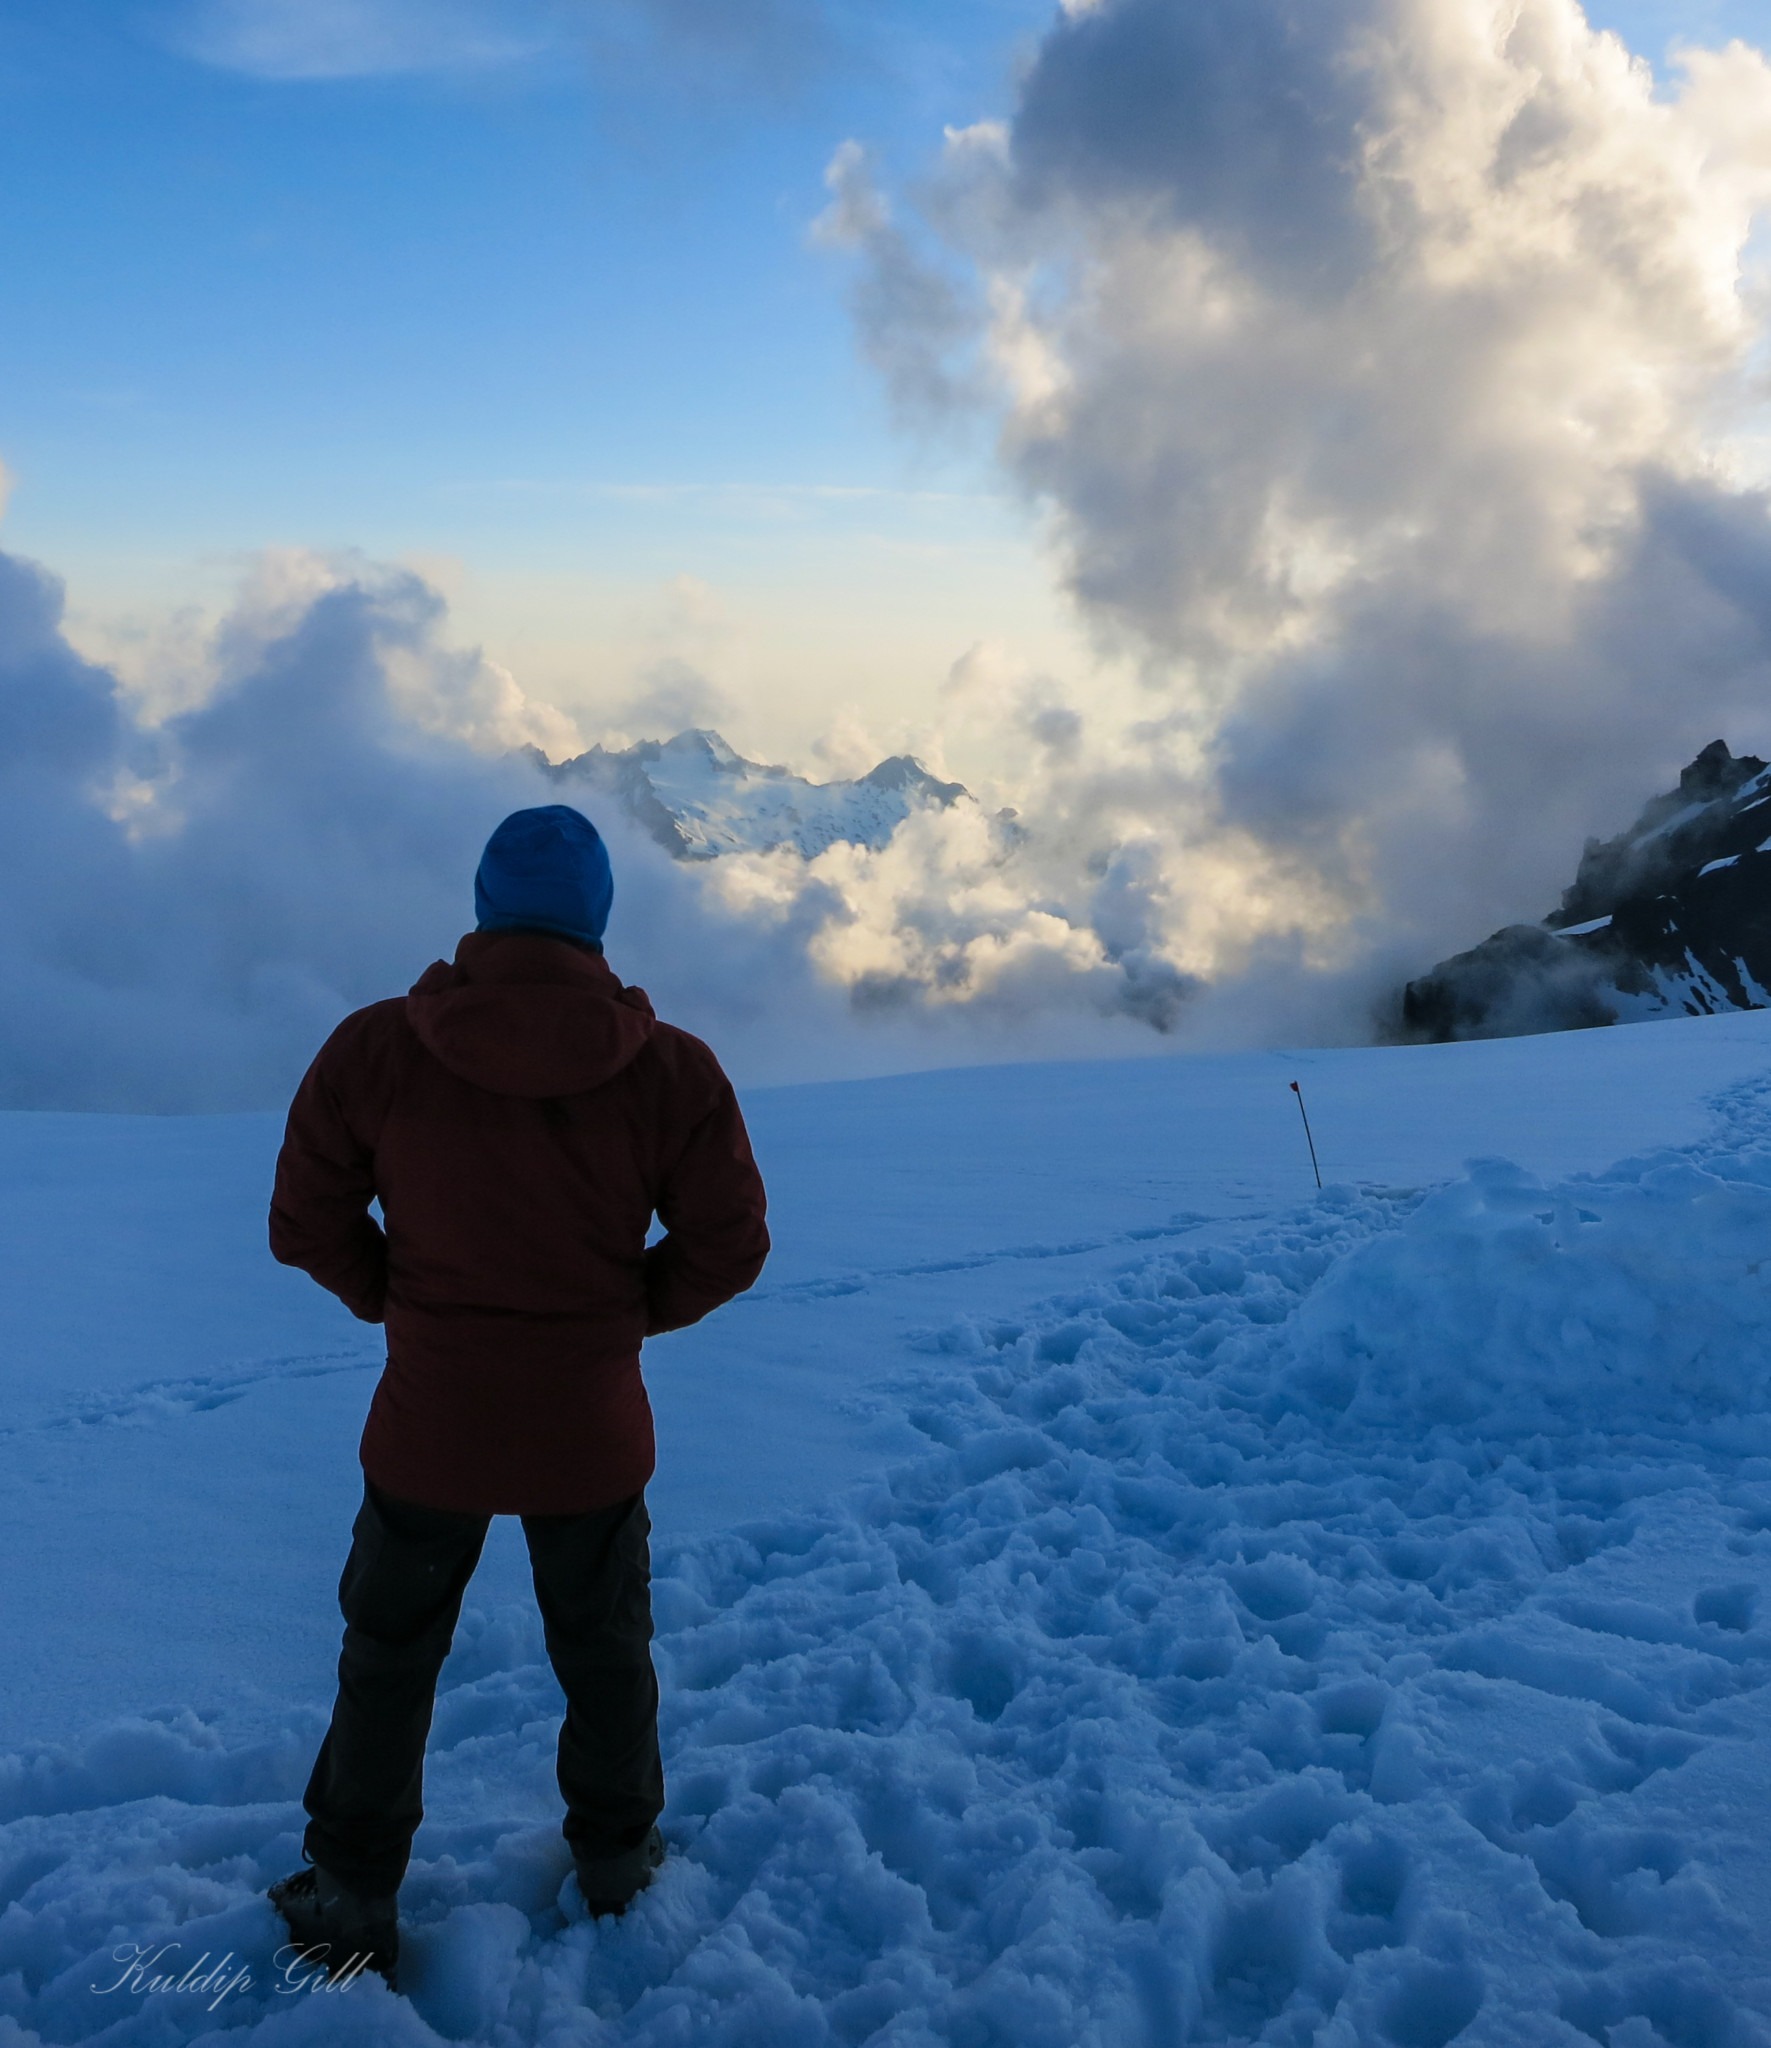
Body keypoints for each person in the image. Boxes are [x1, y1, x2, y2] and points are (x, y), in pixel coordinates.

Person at [264, 804, 769, 1987]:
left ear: (485, 907)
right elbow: (729, 1243)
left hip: (428, 1423)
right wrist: (626, 1312)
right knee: (604, 1649)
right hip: (588, 1428)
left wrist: (392, 1294)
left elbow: (302, 1221)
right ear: (595, 919)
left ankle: (350, 1889)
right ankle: (615, 1858)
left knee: (389, 1653)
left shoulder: (376, 1049)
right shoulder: (671, 1071)